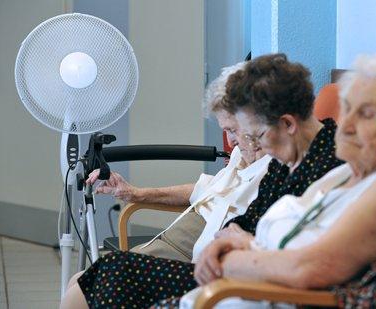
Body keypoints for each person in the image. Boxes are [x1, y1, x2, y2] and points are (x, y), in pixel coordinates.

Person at [60, 54, 342, 308]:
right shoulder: (288, 158)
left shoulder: (326, 168)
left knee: (113, 273)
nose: (251, 146)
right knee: (102, 275)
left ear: (287, 124)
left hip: (244, 280)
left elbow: (296, 253)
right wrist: (228, 240)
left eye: (254, 136)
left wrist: (239, 246)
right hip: (227, 265)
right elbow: (249, 218)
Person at [181, 48, 376, 308]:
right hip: (241, 292)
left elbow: (307, 268)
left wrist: (225, 259)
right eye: (347, 109)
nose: (347, 125)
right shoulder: (346, 175)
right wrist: (242, 244)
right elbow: (286, 244)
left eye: (366, 114)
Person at [86, 61, 272, 263]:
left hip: (198, 253)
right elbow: (207, 189)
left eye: (232, 130)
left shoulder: (275, 170)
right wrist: (134, 193)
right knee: (84, 280)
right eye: (226, 131)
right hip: (175, 237)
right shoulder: (242, 153)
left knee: (97, 277)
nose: (229, 141)